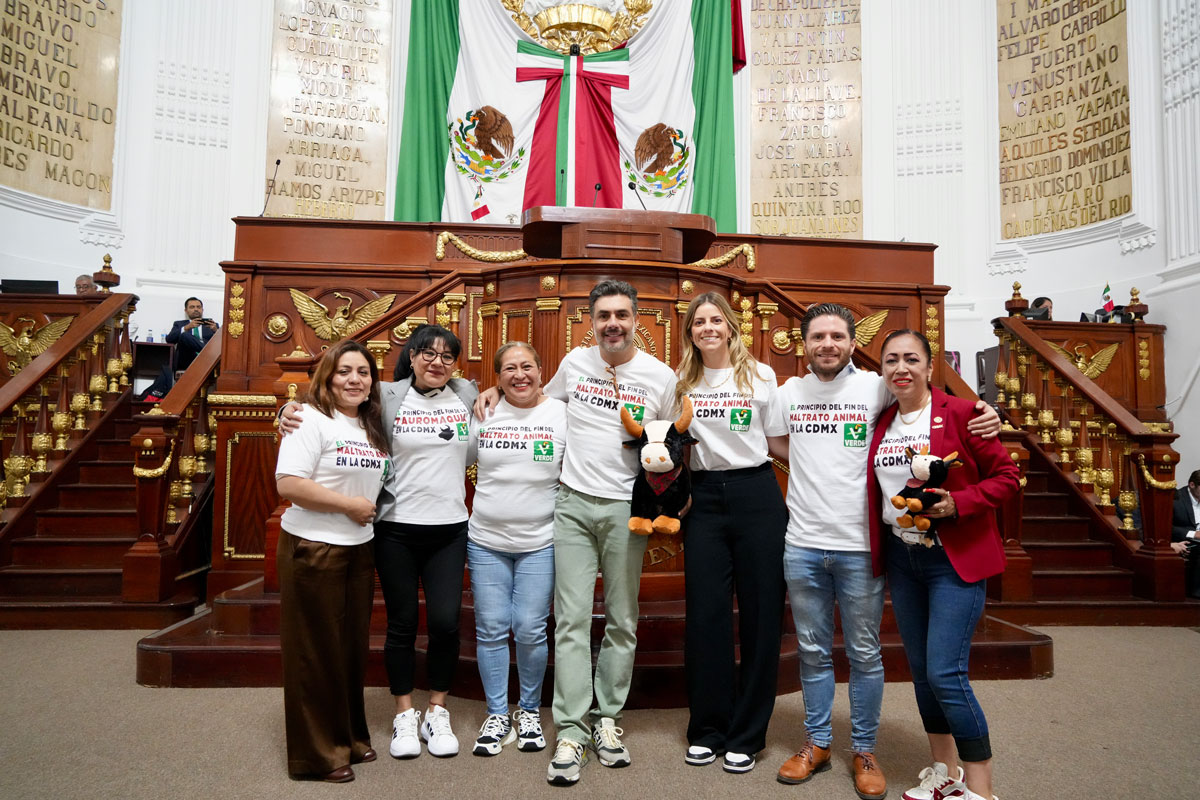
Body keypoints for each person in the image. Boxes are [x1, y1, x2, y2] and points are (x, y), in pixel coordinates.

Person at [774, 303, 999, 799]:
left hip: (860, 547)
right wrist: (813, 463)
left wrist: (988, 412)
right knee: (812, 651)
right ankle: (816, 743)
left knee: (865, 654)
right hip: (803, 543)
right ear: (804, 343)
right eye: (818, 336)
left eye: (837, 335)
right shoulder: (788, 392)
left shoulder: (878, 387)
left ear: (853, 344)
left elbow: (936, 404)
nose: (827, 344)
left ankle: (864, 748)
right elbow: (775, 440)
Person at [475, 279, 677, 786]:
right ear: (591, 320)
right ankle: (570, 729)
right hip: (569, 505)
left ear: (637, 320)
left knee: (622, 619)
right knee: (568, 619)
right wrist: (496, 389)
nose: (613, 323)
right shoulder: (574, 363)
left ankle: (607, 719)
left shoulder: (660, 376)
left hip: (624, 509)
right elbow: (538, 401)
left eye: (622, 315)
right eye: (604, 314)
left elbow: (672, 445)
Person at [281, 324, 477, 761]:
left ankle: (437, 710)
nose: (437, 362)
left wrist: (492, 393)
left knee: (446, 623)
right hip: (394, 527)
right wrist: (288, 411)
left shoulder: (467, 394)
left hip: (449, 527)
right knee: (402, 623)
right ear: (410, 356)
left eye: (447, 355)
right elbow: (332, 408)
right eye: (427, 353)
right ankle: (404, 713)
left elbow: (490, 392)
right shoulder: (385, 395)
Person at [867, 329, 1019, 800]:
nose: (901, 368)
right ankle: (944, 773)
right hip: (902, 556)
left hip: (953, 561)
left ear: (930, 366)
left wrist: (961, 502)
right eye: (891, 360)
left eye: (911, 358)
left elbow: (1008, 477)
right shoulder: (882, 419)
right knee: (920, 671)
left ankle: (982, 791)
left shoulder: (963, 413)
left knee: (945, 673)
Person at [674, 293, 788, 774]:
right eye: (698, 322)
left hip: (756, 493)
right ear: (690, 333)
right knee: (706, 615)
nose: (707, 328)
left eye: (715, 319)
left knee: (762, 616)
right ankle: (708, 728)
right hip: (703, 499)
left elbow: (779, 441)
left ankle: (747, 734)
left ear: (730, 326)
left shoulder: (761, 375)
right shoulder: (680, 380)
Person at [274, 339, 391, 783]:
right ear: (327, 375)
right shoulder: (308, 420)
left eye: (363, 372)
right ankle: (317, 756)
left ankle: (348, 736)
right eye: (344, 371)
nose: (354, 379)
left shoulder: (370, 423)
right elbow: (289, 484)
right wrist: (348, 505)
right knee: (314, 653)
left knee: (347, 649)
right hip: (313, 546)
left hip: (359, 547)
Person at [467, 342, 566, 757]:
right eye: (509, 368)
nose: (519, 375)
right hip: (486, 541)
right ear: (498, 377)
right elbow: (449, 451)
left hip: (539, 542)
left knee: (528, 628)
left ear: (542, 372)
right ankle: (495, 712)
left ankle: (527, 710)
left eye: (527, 366)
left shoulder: (562, 414)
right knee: (490, 627)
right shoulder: (483, 411)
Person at [165, 297, 219, 371]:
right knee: (184, 335)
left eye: (198, 307)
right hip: (187, 360)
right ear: (186, 311)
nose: (196, 309)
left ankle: (206, 353)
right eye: (192, 307)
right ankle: (206, 352)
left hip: (206, 361)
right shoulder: (179, 324)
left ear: (202, 310)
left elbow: (222, 345)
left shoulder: (212, 325)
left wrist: (216, 331)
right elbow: (169, 340)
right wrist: (186, 328)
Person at [1171, 469, 1200, 598]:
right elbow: (1167, 527)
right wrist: (1193, 534)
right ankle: (1196, 593)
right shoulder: (1176, 498)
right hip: (1184, 541)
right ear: (1192, 485)